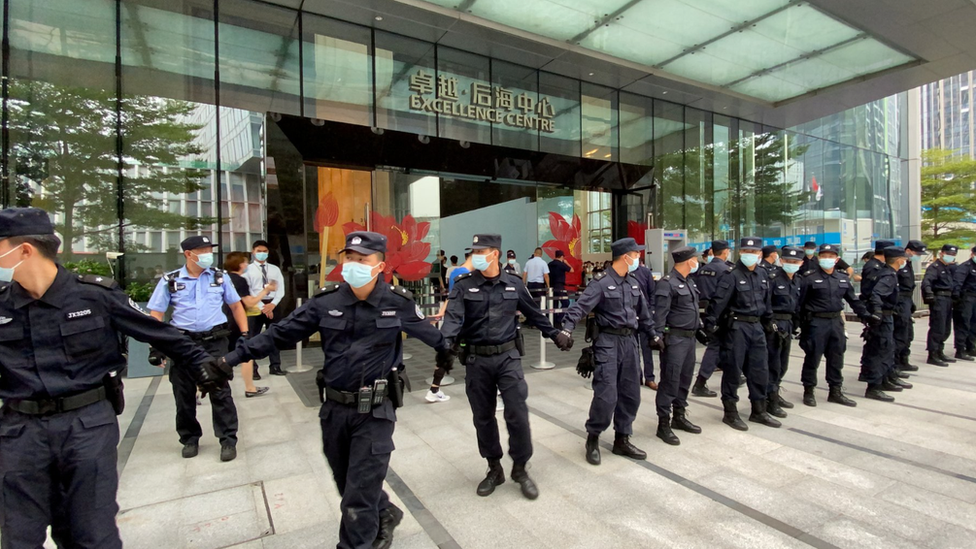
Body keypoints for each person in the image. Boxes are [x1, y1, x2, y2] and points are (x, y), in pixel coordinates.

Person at [0, 208, 227, 549]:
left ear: (25, 250)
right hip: (20, 430)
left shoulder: (95, 296)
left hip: (85, 425)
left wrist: (203, 365)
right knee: (19, 535)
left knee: (91, 531)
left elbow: (160, 332)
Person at [223, 231, 454, 549]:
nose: (354, 264)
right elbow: (278, 334)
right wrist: (230, 360)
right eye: (350, 258)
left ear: (380, 265)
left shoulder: (397, 304)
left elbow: (434, 337)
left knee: (356, 500)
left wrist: (453, 349)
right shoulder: (325, 302)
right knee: (346, 482)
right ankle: (385, 512)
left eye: (363, 259)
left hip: (375, 411)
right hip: (334, 410)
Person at [443, 234, 572, 499]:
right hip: (477, 360)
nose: (476, 256)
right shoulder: (464, 286)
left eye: (481, 251)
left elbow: (534, 313)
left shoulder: (513, 284)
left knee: (517, 413)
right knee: (483, 417)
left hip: (508, 358)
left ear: (496, 254)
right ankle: (494, 468)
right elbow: (453, 319)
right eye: (473, 251)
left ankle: (521, 468)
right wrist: (443, 346)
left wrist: (555, 334)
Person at [148, 235, 249, 461]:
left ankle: (227, 440)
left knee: (220, 390)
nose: (207, 254)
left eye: (208, 250)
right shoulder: (170, 280)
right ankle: (189, 438)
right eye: (202, 250)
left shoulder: (219, 277)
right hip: (183, 342)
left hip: (215, 341)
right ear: (188, 254)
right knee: (183, 393)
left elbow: (236, 306)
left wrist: (244, 334)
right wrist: (156, 346)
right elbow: (156, 312)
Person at [561, 238, 654, 465]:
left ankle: (622, 439)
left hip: (630, 343)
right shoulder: (601, 283)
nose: (638, 259)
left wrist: (655, 335)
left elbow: (644, 313)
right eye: (636, 255)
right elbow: (580, 307)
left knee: (631, 393)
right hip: (608, 343)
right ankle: (593, 438)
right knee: (606, 395)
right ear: (626, 257)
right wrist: (566, 329)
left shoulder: (633, 283)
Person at [704, 237, 780, 431]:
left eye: (754, 252)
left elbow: (766, 302)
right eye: (747, 251)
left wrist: (769, 322)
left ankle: (759, 410)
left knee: (760, 370)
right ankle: (730, 412)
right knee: (733, 371)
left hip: (757, 328)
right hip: (736, 328)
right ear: (740, 253)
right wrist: (711, 326)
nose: (751, 255)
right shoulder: (731, 275)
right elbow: (718, 303)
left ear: (760, 254)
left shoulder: (762, 274)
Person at [796, 244, 870, 407]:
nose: (827, 259)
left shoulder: (842, 278)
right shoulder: (809, 278)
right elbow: (799, 303)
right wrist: (800, 325)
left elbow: (853, 300)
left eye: (830, 256)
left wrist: (866, 316)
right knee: (812, 357)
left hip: (836, 322)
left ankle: (835, 390)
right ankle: (809, 390)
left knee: (836, 357)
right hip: (816, 323)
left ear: (837, 259)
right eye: (824, 256)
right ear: (819, 258)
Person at [653, 246, 703, 445]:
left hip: (689, 339)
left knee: (684, 379)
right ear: (687, 261)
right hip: (674, 340)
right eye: (695, 259)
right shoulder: (667, 283)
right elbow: (660, 314)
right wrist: (657, 337)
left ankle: (679, 416)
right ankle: (663, 424)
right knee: (670, 381)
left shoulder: (689, 281)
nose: (697, 262)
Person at [860, 246, 913, 402]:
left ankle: (885, 379)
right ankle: (874, 387)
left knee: (888, 349)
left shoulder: (888, 273)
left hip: (888, 315)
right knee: (881, 350)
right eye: (904, 259)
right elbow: (876, 295)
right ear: (899, 260)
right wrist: (877, 312)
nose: (906, 261)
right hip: (883, 318)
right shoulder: (888, 275)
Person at [425, 251, 474, 404]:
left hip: (454, 319)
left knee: (446, 354)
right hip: (464, 320)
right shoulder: (469, 275)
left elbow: (451, 295)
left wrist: (442, 311)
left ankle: (434, 389)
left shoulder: (455, 272)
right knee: (477, 353)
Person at [225, 251, 271, 397]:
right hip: (237, 322)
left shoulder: (224, 278)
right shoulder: (239, 280)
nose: (247, 265)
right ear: (239, 264)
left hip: (222, 320)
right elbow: (248, 302)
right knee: (246, 354)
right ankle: (250, 388)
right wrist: (266, 291)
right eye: (245, 262)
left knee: (219, 355)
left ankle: (199, 389)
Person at [692, 239, 734, 398]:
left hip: (705, 312)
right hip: (720, 314)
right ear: (725, 252)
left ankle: (736, 373)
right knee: (716, 347)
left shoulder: (703, 269)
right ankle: (700, 382)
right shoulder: (726, 270)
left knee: (723, 346)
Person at [765, 247, 803, 415]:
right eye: (788, 261)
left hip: (788, 323)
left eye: (795, 262)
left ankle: (775, 391)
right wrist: (771, 323)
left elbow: (797, 305)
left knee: (783, 364)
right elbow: (766, 303)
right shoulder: (772, 278)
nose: (791, 265)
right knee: (773, 364)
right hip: (774, 324)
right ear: (781, 261)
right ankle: (769, 399)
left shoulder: (797, 280)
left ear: (801, 263)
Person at [245, 240, 287, 378]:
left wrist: (273, 304)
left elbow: (281, 289)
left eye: (264, 251)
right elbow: (248, 290)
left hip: (273, 304)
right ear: (253, 251)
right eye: (259, 251)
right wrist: (262, 307)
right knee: (253, 337)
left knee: (274, 335)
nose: (262, 254)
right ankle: (253, 369)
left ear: (268, 252)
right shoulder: (247, 270)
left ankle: (275, 365)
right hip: (255, 305)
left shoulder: (274, 269)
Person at [857, 240, 896, 381]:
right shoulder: (874, 267)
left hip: (883, 309)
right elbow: (872, 292)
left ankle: (885, 375)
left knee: (885, 345)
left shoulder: (882, 267)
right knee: (878, 345)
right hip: (876, 310)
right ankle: (873, 377)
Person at [922, 244, 958, 366]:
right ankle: (933, 354)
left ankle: (939, 351)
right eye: (949, 254)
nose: (951, 256)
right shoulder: (935, 267)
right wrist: (929, 295)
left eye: (953, 255)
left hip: (948, 299)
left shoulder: (948, 267)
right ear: (942, 253)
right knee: (938, 326)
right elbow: (926, 282)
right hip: (939, 298)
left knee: (946, 328)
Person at [895, 241, 927, 371]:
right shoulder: (899, 264)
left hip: (907, 300)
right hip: (900, 300)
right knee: (900, 333)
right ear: (908, 250)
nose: (918, 256)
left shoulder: (907, 264)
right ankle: (895, 363)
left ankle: (904, 360)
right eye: (916, 253)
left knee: (908, 333)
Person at [633, 256, 657, 390]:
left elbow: (652, 292)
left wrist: (651, 310)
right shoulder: (623, 272)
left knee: (647, 348)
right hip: (630, 316)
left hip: (645, 316)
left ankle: (650, 378)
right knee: (633, 349)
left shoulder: (645, 272)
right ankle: (637, 377)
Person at [952, 245, 976, 362]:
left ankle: (971, 347)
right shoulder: (965, 267)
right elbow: (958, 282)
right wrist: (956, 298)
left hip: (974, 299)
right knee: (963, 323)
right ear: (972, 254)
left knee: (974, 324)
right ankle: (960, 350)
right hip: (966, 298)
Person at [548, 249, 573, 327]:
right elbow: (572, 270)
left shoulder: (549, 264)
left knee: (554, 304)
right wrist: (566, 263)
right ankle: (559, 320)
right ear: (562, 256)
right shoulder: (561, 264)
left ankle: (554, 320)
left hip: (552, 286)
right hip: (559, 286)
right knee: (566, 303)